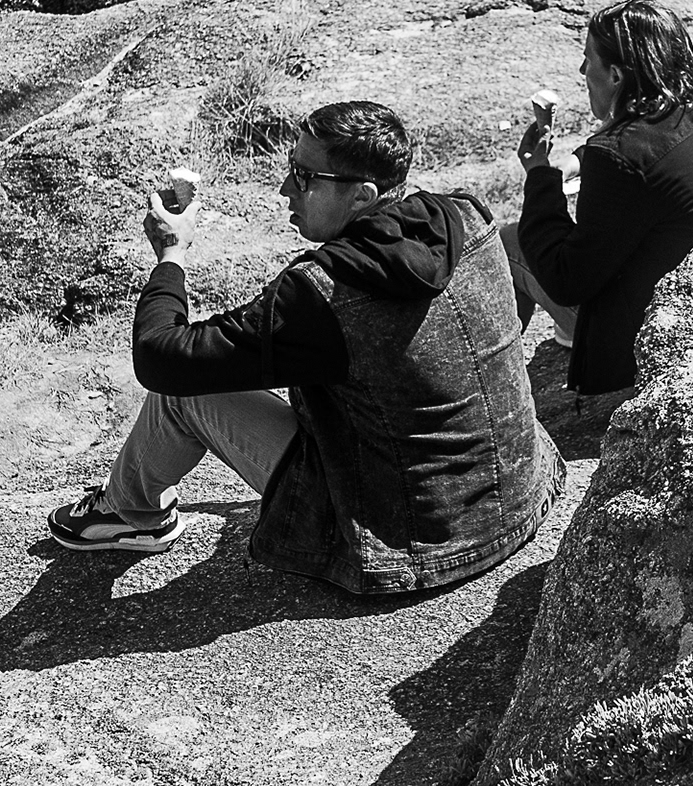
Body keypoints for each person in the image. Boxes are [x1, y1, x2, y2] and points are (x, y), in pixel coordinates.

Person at [48, 100, 564, 596]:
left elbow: (161, 356)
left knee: (182, 392)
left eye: (304, 176)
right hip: (521, 492)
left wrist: (171, 256)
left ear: (362, 196)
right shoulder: (466, 216)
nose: (283, 188)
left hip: (410, 539)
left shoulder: (325, 295)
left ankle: (129, 512)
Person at [507, 0, 693, 397]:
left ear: (616, 75)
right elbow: (654, 143)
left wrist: (539, 178)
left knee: (509, 242)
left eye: (588, 59)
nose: (582, 70)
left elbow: (565, 279)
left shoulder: (617, 158)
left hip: (656, 338)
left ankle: (499, 394)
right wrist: (579, 160)